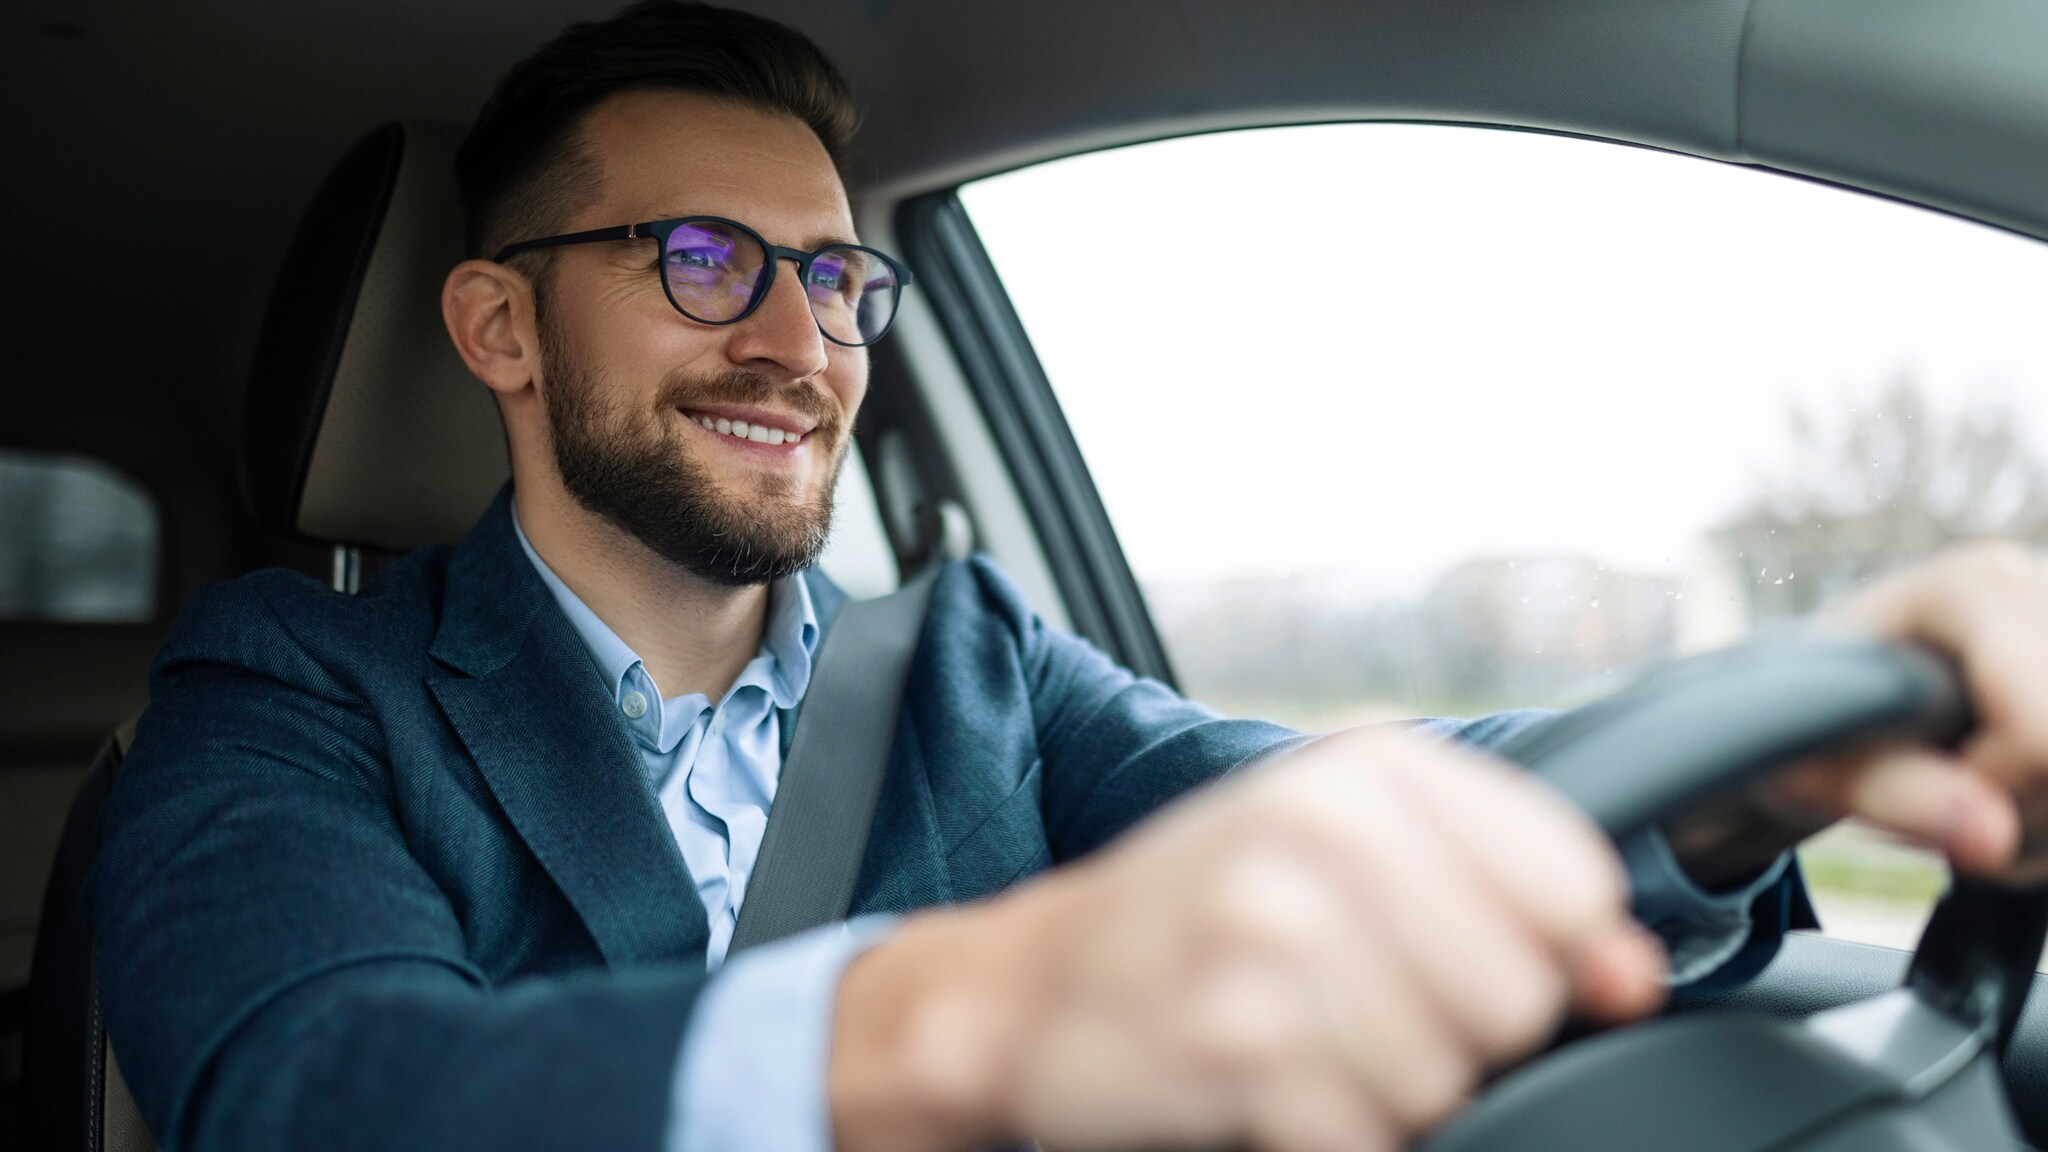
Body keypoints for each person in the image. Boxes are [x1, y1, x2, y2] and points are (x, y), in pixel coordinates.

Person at [88, 3, 2048, 1151]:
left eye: (836, 277)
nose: (798, 344)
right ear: (501, 329)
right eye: (703, 262)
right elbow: (313, 1089)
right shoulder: (293, 687)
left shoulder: (972, 667)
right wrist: (961, 1018)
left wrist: (1761, 746)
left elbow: (1338, 811)